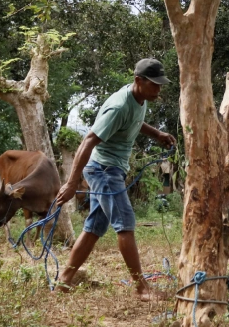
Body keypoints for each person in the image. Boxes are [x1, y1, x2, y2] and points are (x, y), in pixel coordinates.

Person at [55, 58, 177, 300]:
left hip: (111, 169)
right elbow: (88, 141)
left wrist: (157, 134)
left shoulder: (139, 98)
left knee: (94, 228)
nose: (158, 90)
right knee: (125, 223)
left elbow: (134, 121)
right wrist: (71, 183)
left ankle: (65, 280)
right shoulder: (119, 106)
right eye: (154, 84)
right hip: (104, 170)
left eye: (160, 85)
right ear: (138, 80)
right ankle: (142, 288)